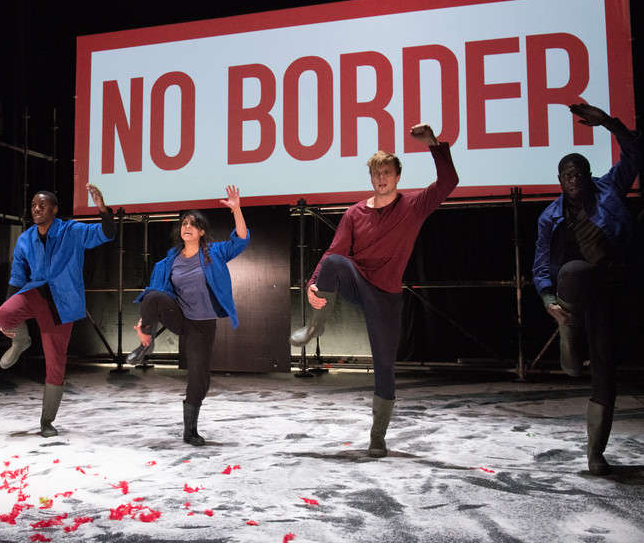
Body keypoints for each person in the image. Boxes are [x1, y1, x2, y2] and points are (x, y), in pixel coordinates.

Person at [290, 125, 458, 458]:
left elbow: (448, 181)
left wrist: (434, 145)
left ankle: (378, 436)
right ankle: (316, 325)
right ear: (371, 178)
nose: (381, 178)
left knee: (384, 365)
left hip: (386, 295)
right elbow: (333, 251)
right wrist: (312, 284)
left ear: (397, 177)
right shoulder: (355, 213)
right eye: (376, 173)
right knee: (334, 261)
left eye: (387, 173)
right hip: (357, 281)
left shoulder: (413, 205)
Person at [533, 103, 644, 476]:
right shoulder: (549, 217)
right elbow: (540, 267)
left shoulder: (609, 189)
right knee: (575, 270)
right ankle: (567, 329)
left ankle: (595, 452)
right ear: (559, 179)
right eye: (568, 174)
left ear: (589, 174)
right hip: (573, 287)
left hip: (609, 289)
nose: (574, 178)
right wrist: (548, 301)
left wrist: (610, 123)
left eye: (580, 172)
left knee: (605, 368)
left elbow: (636, 155)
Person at [130, 185, 249, 446]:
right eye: (184, 223)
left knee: (199, 378)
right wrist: (144, 323)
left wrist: (236, 209)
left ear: (201, 231)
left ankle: (190, 430)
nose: (188, 227)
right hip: (180, 316)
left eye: (193, 224)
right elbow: (156, 293)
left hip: (202, 325)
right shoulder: (169, 260)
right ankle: (145, 345)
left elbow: (241, 240)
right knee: (152, 295)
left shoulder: (215, 252)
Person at [0, 185, 115, 437]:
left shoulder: (72, 230)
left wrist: (102, 209)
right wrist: (8, 314)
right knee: (3, 314)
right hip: (35, 294)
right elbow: (17, 277)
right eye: (33, 205)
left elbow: (106, 234)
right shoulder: (25, 238)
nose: (36, 209)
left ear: (54, 209)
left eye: (42, 205)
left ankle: (47, 421)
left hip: (62, 303)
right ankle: (20, 342)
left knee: (55, 363)